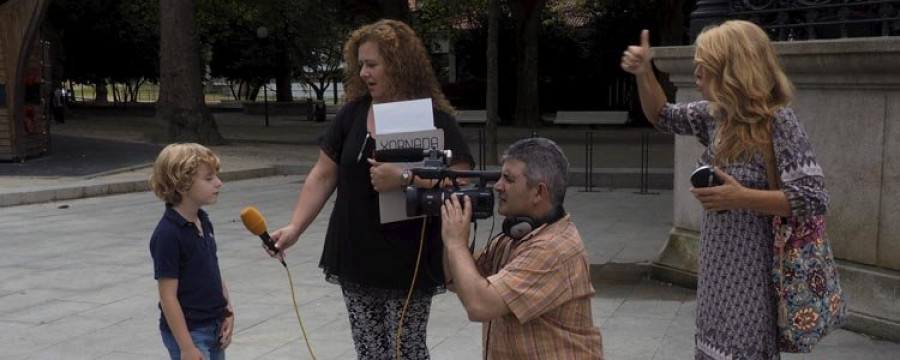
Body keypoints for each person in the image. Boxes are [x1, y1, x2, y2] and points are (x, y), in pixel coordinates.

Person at [265, 19, 474, 359]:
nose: (363, 73)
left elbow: (461, 181)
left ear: (399, 65)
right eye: (360, 64)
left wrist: (407, 178)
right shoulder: (351, 115)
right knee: (370, 350)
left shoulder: (434, 119)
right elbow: (323, 174)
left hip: (409, 255)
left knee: (406, 350)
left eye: (372, 64)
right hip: (356, 251)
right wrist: (295, 228)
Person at [621, 21, 829, 359]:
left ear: (734, 69)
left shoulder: (779, 123)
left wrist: (741, 197)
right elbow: (663, 115)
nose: (697, 73)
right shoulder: (717, 117)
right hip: (716, 274)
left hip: (753, 277)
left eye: (706, 65)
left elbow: (814, 197)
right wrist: (645, 72)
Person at [440, 137, 604, 359]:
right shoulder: (516, 235)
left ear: (539, 192)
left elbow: (479, 305)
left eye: (508, 179)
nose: (498, 186)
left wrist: (457, 244)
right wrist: (445, 223)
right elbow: (456, 281)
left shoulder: (552, 249)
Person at [149, 143, 234, 360]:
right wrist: (186, 346)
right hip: (189, 333)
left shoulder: (203, 220)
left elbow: (212, 269)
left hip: (214, 326)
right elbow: (168, 296)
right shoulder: (168, 234)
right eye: (209, 178)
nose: (218, 183)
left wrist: (227, 310)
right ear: (182, 184)